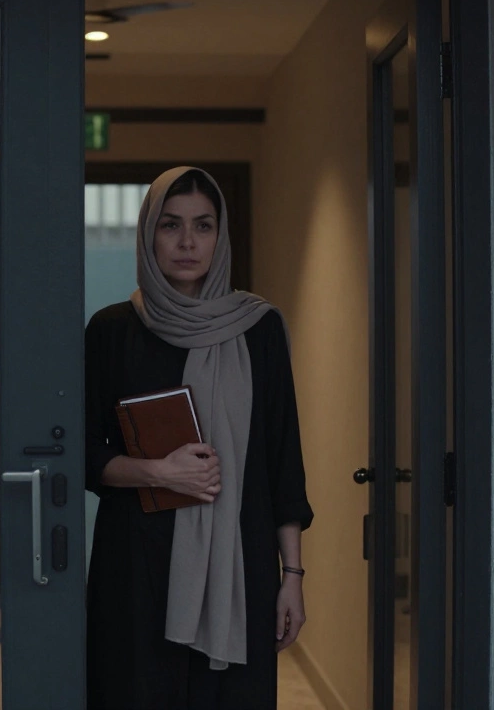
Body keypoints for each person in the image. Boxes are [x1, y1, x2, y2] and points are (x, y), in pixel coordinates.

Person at [85, 166, 314, 709]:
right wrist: (158, 472)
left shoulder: (259, 328)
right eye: (170, 225)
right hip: (137, 567)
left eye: (203, 226)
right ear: (148, 235)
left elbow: (283, 461)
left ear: (220, 236)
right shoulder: (112, 330)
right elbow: (84, 454)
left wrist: (293, 576)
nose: (188, 242)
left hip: (238, 564)